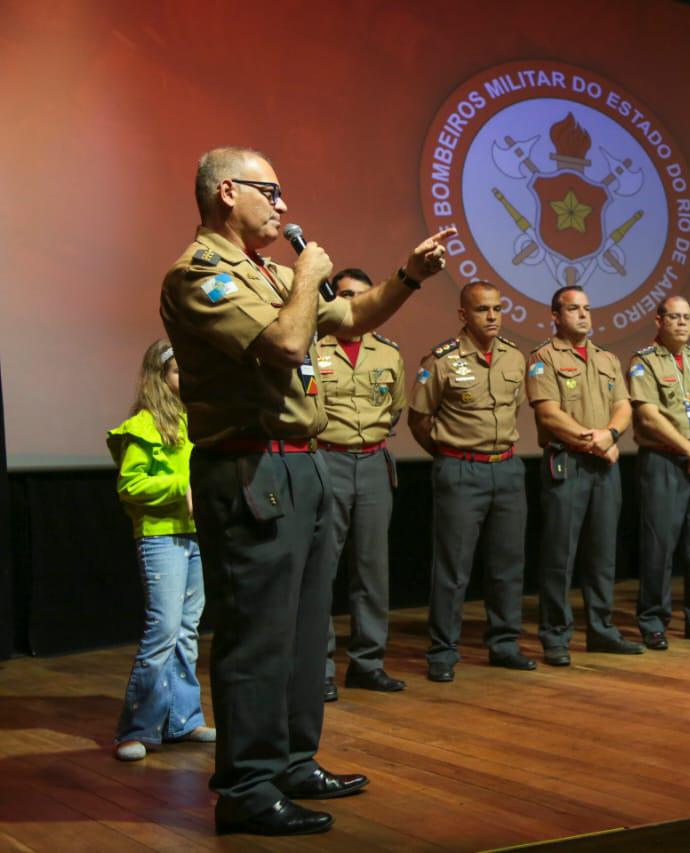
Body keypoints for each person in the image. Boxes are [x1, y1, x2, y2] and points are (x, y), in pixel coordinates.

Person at [160, 146, 454, 836]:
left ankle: (292, 759)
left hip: (302, 461)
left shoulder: (267, 271)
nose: (284, 205)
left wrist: (408, 275)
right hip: (249, 465)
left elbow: (350, 320)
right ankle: (248, 787)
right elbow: (288, 345)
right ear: (228, 192)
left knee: (302, 628)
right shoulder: (201, 275)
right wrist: (308, 279)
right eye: (272, 191)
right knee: (257, 636)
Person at [409, 281, 535, 682]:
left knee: (507, 564)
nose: (493, 317)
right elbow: (420, 419)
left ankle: (504, 643)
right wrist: (451, 454)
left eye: (498, 309)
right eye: (483, 310)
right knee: (453, 568)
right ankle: (443, 651)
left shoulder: (515, 358)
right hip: (461, 469)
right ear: (464, 315)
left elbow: (514, 409)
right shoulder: (441, 360)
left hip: (508, 468)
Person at [107, 340, 215, 762]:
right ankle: (136, 728)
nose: (185, 378)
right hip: (161, 536)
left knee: (188, 631)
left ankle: (183, 720)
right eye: (177, 371)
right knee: (163, 631)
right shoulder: (143, 426)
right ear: (159, 376)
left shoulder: (199, 422)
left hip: (197, 535)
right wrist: (180, 490)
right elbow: (129, 487)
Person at [527, 285, 642, 665]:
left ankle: (601, 630)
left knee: (602, 555)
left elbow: (623, 406)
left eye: (587, 309)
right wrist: (592, 440)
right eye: (573, 309)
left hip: (604, 464)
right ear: (556, 316)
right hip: (568, 464)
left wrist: (610, 435)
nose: (583, 315)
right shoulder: (543, 357)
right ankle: (556, 637)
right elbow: (547, 413)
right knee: (560, 556)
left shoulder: (606, 359)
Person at [317, 268, 407, 701]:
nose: (353, 304)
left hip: (373, 462)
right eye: (345, 295)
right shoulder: (314, 346)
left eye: (361, 296)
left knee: (371, 572)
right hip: (325, 461)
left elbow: (395, 410)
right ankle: (319, 672)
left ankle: (367, 664)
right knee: (322, 571)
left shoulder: (388, 352)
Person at [628, 295, 690, 649]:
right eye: (674, 317)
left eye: (687, 317)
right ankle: (653, 621)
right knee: (660, 546)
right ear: (659, 321)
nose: (682, 323)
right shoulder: (644, 363)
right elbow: (648, 415)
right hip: (664, 462)